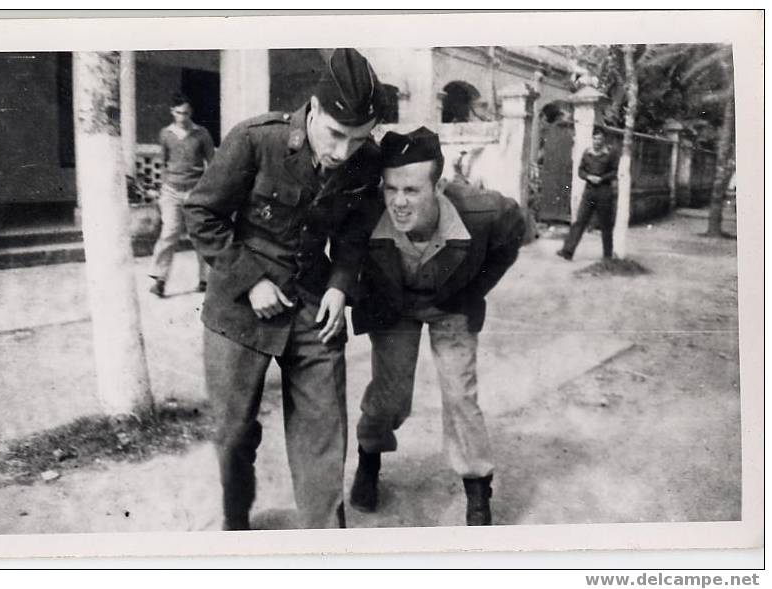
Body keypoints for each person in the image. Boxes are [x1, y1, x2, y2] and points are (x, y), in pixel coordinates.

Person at [182, 48, 384, 530]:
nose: (343, 152)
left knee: (323, 430)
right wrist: (251, 282)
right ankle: (236, 523)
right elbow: (202, 213)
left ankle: (323, 542)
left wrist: (340, 285)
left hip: (314, 304)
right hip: (239, 306)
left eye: (358, 140)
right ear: (313, 109)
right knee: (233, 432)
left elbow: (355, 234)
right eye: (336, 135)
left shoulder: (364, 160)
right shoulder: (258, 140)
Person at [349, 127, 525, 526]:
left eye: (412, 190)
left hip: (449, 304)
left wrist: (476, 286)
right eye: (391, 189)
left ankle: (477, 488)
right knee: (389, 396)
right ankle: (369, 458)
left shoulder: (481, 211)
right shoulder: (365, 212)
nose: (398, 202)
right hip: (394, 305)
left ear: (438, 185)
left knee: (460, 395)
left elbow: (516, 231)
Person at [148, 93, 215, 297]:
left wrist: (210, 191)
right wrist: (161, 189)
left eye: (186, 113)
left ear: (190, 112)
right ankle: (159, 280)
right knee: (169, 233)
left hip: (196, 191)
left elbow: (213, 164)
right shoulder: (165, 134)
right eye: (178, 113)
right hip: (171, 192)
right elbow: (163, 163)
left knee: (201, 235)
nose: (182, 117)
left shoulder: (202, 134)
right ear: (172, 112)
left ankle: (206, 280)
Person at [556, 126, 619, 261]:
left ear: (604, 140)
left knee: (605, 224)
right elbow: (580, 170)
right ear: (592, 139)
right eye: (595, 138)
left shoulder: (610, 153)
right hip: (589, 191)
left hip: (604, 192)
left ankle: (607, 255)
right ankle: (568, 251)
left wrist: (602, 178)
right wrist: (588, 177)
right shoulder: (587, 153)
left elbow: (614, 172)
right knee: (580, 221)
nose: (597, 142)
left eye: (600, 139)